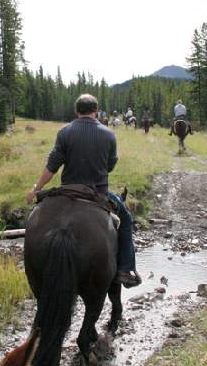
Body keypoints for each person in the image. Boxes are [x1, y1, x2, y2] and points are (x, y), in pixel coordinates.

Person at [26, 94, 142, 288]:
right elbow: (110, 165)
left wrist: (36, 189)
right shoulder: (108, 134)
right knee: (126, 220)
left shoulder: (64, 132)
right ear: (96, 111)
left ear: (76, 111)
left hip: (67, 190)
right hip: (98, 192)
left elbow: (52, 167)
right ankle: (125, 268)